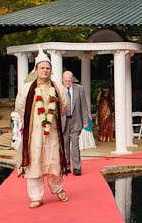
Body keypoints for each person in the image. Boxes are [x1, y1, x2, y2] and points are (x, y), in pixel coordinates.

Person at [15, 48, 70, 209]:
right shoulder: (26, 88)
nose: (45, 71)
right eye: (42, 68)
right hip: (34, 134)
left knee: (54, 163)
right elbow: (20, 107)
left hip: (52, 133)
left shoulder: (57, 87)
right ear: (36, 70)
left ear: (51, 71)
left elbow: (64, 107)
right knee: (34, 164)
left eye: (47, 68)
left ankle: (58, 189)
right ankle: (36, 197)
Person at [61, 70, 91, 176]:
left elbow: (84, 105)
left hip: (76, 120)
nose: (67, 83)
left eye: (69, 81)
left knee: (75, 145)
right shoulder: (59, 90)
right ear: (63, 80)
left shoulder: (79, 89)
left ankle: (77, 167)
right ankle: (66, 166)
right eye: (65, 81)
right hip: (63, 121)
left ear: (72, 80)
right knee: (65, 145)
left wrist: (86, 120)